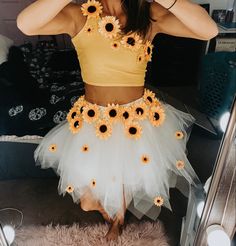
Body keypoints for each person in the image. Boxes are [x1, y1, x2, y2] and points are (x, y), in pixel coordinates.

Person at [17, 0, 218, 241]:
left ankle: (118, 220)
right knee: (87, 201)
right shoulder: (80, 14)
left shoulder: (148, 13)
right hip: (94, 120)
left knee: (123, 179)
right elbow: (25, 24)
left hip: (135, 120)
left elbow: (209, 30)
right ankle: (107, 211)